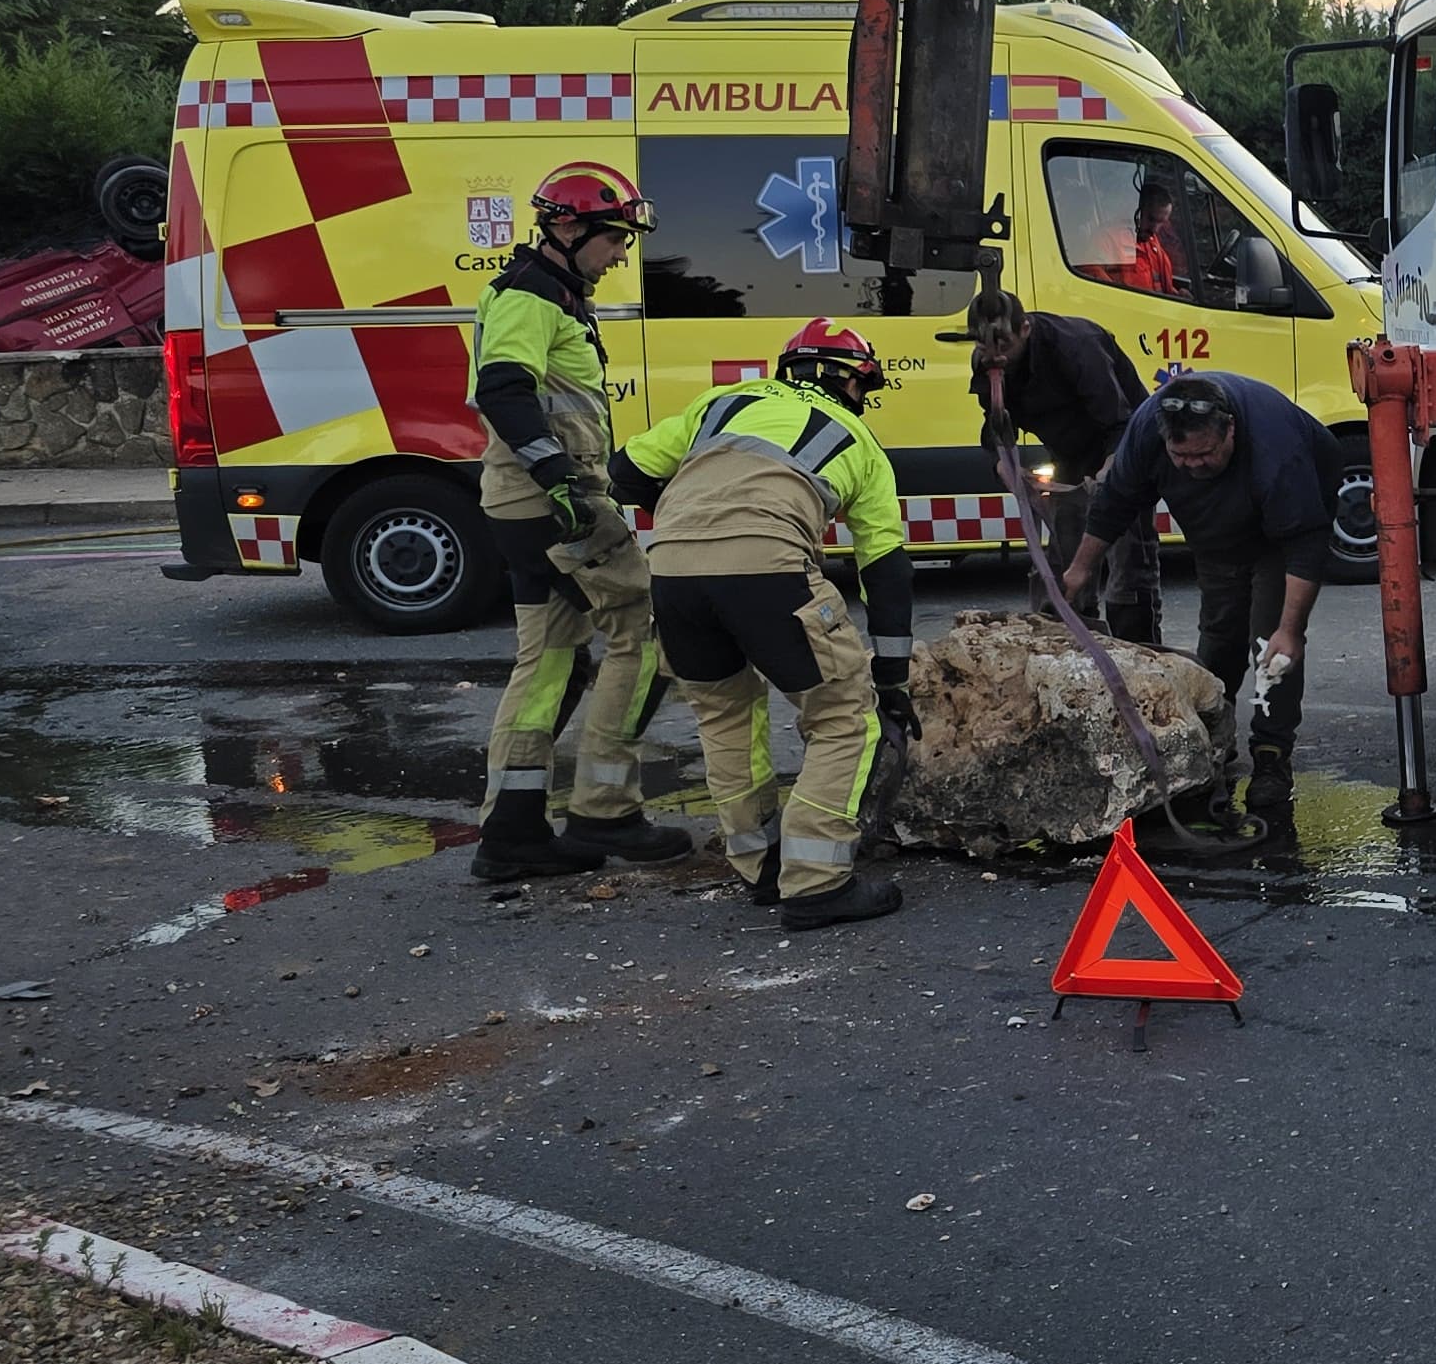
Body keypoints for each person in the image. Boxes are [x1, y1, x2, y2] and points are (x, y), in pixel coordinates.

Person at [613, 318, 915, 929]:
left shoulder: (722, 403)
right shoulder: (856, 438)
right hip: (768, 565)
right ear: (854, 384)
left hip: (671, 569)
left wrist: (694, 517)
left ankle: (758, 866)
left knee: (723, 713)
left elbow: (625, 473)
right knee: (842, 717)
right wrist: (891, 675)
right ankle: (816, 882)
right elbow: (883, 567)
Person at [468, 162, 686, 882]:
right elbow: (503, 388)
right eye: (615, 238)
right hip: (552, 505)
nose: (623, 253)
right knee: (646, 632)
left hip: (525, 504)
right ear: (568, 227)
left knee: (552, 660)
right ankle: (605, 807)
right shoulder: (531, 296)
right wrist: (560, 480)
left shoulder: (551, 293)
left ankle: (513, 828)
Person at [1064, 370, 1336, 820]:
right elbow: (1115, 503)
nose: (1193, 465)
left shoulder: (1275, 449)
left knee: (1272, 647)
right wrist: (1080, 569)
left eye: (1205, 454)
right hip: (1217, 537)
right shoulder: (1148, 431)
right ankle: (1214, 735)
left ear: (1229, 428)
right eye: (1181, 457)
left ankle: (1271, 755)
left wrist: (1292, 629)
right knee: (1219, 637)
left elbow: (1305, 546)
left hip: (1282, 534)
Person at [954, 289, 1156, 642]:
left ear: (1026, 329)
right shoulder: (987, 361)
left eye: (1004, 345)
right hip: (1070, 454)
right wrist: (1003, 462)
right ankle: (1071, 642)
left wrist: (1112, 470)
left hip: (1124, 444)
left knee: (1128, 563)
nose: (995, 356)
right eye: (986, 348)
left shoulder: (1076, 347)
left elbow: (1120, 421)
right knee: (1063, 560)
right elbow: (997, 424)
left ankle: (1138, 647)